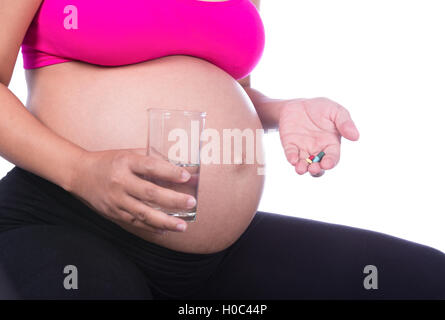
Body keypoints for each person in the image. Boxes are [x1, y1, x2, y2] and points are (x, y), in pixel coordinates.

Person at [0, 0, 443, 300]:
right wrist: (82, 171)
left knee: (424, 281)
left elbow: (228, 88)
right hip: (65, 218)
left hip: (210, 253)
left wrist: (280, 110)